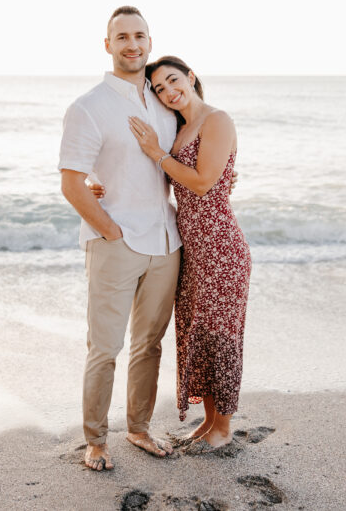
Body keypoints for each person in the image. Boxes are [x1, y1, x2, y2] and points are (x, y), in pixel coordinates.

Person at [58, 6, 180, 471]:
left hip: (167, 243)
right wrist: (111, 230)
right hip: (116, 243)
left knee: (149, 345)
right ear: (108, 45)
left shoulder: (165, 101)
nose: (132, 44)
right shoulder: (89, 106)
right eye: (122, 37)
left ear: (150, 42)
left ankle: (139, 428)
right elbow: (72, 183)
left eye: (140, 35)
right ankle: (94, 440)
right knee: (105, 348)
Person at [127, 55, 251, 451]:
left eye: (173, 80)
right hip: (192, 249)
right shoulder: (180, 128)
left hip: (220, 246)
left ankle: (223, 426)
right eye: (159, 89)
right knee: (199, 335)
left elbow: (200, 184)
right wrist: (105, 188)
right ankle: (209, 421)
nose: (168, 91)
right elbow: (164, 182)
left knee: (220, 336)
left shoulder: (217, 119)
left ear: (191, 77)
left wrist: (155, 153)